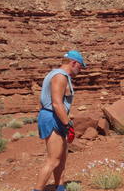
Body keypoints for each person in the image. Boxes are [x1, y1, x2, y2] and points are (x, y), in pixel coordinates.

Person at [32, 50, 86, 191]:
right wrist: (68, 125)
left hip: (55, 117)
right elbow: (56, 103)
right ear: (73, 63)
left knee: (61, 159)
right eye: (80, 67)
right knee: (53, 160)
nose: (80, 70)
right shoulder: (60, 76)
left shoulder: (56, 74)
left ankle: (60, 188)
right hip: (53, 117)